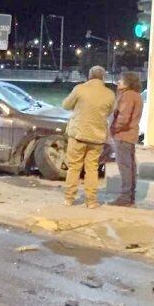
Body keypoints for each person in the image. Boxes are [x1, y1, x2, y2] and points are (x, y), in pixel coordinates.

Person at [61, 66, 116, 208]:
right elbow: (110, 112)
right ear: (103, 77)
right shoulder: (110, 94)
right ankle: (91, 201)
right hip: (97, 137)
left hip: (78, 134)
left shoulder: (79, 89)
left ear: (89, 76)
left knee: (74, 167)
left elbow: (66, 105)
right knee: (92, 169)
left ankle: (69, 199)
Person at [108, 72, 144, 206]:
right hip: (130, 135)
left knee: (125, 167)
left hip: (123, 135)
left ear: (128, 82)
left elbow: (123, 118)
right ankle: (130, 196)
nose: (118, 82)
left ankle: (125, 197)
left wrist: (113, 129)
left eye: (121, 80)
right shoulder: (136, 96)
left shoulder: (128, 95)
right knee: (130, 167)